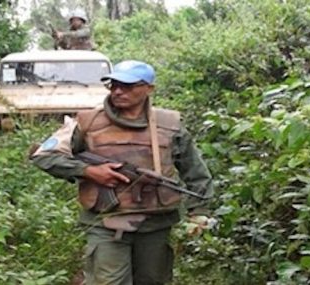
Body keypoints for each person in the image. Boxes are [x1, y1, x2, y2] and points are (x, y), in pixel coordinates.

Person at [30, 60, 215, 285]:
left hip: (155, 225)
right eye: (114, 84)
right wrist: (88, 171)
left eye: (128, 86)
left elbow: (195, 171)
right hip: (106, 223)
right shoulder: (87, 122)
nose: (118, 91)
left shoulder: (169, 125)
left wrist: (199, 212)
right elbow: (44, 156)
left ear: (149, 89)